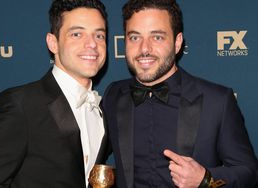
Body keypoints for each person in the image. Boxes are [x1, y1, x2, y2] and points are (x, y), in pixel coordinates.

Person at [102, 0, 258, 187]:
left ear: (177, 43)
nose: (144, 49)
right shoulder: (114, 95)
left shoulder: (217, 101)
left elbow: (248, 171)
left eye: (157, 37)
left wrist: (206, 179)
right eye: (135, 37)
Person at [0, 0, 109, 187]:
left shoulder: (104, 110)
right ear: (53, 43)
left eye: (99, 35)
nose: (92, 44)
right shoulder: (20, 104)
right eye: (77, 34)